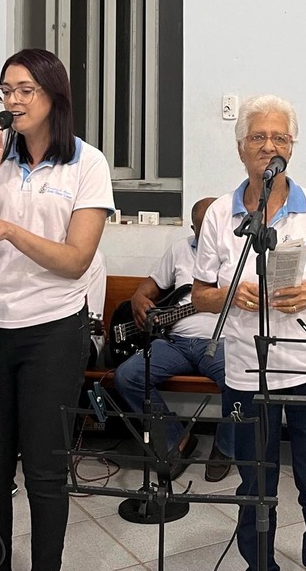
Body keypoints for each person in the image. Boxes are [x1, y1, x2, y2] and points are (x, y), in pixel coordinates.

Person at [0, 48, 114, 571]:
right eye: (6, 90)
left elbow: (75, 261)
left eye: (25, 90)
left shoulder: (87, 163)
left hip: (52, 330)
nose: (13, 101)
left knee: (46, 472)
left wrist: (11, 230)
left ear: (55, 96)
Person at [192, 94, 306, 571]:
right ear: (240, 147)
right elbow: (200, 295)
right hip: (247, 372)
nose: (270, 146)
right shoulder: (219, 215)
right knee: (254, 487)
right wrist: (229, 295)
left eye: (280, 137)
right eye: (259, 137)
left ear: (291, 147)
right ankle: (260, 565)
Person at [114, 197, 234, 482]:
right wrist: (139, 298)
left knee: (238, 379)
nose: (211, 234)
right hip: (174, 342)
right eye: (204, 229)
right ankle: (176, 440)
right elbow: (150, 287)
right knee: (127, 376)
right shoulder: (180, 250)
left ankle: (225, 448)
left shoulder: (239, 254)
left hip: (221, 343)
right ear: (194, 229)